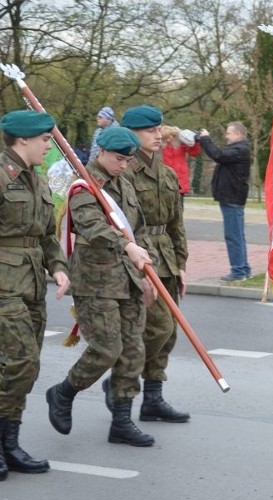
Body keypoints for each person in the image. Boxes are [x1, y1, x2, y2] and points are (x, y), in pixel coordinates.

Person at [45, 127, 159, 447]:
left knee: (133, 351)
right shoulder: (85, 186)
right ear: (102, 152)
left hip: (128, 280)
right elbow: (92, 226)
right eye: (119, 159)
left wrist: (148, 273)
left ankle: (121, 420)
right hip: (96, 282)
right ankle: (63, 393)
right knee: (107, 349)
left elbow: (137, 231)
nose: (124, 165)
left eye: (128, 160)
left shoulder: (125, 182)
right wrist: (127, 247)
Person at [106, 105, 190, 423]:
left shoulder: (166, 172)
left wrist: (181, 262)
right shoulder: (122, 171)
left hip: (165, 255)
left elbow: (176, 223)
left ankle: (153, 398)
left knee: (169, 335)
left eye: (158, 130)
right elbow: (115, 222)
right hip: (138, 256)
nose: (158, 135)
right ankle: (122, 380)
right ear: (131, 134)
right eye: (150, 131)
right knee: (156, 327)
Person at [0, 110, 70, 480]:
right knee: (19, 360)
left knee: (26, 366)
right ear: (23, 140)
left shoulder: (36, 181)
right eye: (45, 139)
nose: (49, 145)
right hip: (3, 285)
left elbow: (45, 234)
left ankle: (9, 444)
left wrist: (58, 267)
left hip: (29, 285)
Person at [197, 122, 251, 282]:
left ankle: (239, 271)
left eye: (229, 133)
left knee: (233, 236)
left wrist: (206, 139)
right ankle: (244, 269)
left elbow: (218, 155)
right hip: (232, 198)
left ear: (238, 135)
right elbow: (220, 154)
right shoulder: (239, 149)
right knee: (237, 236)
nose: (226, 136)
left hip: (232, 198)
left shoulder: (240, 150)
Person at [161, 125, 201, 201]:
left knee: (178, 204)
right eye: (165, 138)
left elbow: (194, 153)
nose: (168, 140)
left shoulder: (182, 142)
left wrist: (195, 143)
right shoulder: (161, 145)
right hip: (166, 175)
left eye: (170, 137)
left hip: (180, 176)